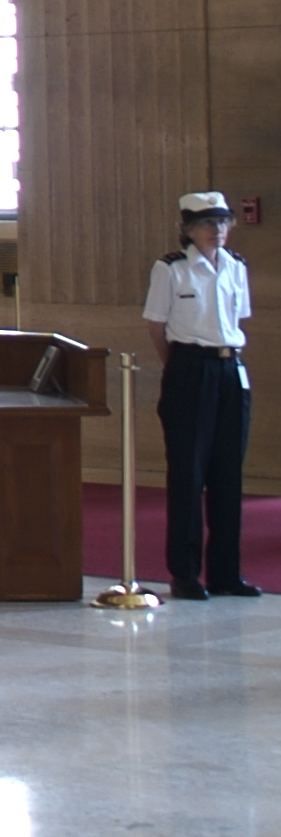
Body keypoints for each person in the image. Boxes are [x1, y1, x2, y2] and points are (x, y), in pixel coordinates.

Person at [143, 192, 257, 599]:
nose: (218, 231)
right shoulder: (171, 269)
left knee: (228, 475)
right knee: (189, 474)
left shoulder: (235, 266)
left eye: (223, 223)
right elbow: (157, 327)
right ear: (189, 229)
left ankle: (227, 573)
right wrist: (179, 369)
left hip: (230, 369)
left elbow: (238, 319)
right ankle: (186, 573)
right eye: (209, 224)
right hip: (190, 368)